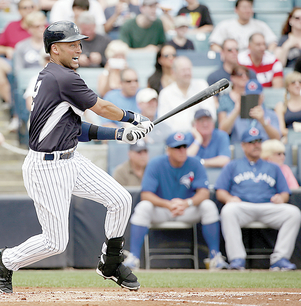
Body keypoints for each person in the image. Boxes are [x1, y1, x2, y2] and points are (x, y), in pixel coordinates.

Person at [0, 20, 155, 294]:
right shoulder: (62, 77)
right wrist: (134, 118)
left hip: (71, 159)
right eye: (72, 44)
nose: (79, 49)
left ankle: (111, 263)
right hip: (46, 168)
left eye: (79, 43)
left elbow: (73, 128)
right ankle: (6, 259)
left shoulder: (54, 76)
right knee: (55, 243)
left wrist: (118, 135)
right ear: (55, 49)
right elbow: (101, 107)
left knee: (120, 199)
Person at [122, 131, 228, 270]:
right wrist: (168, 204)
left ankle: (215, 257)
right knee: (143, 207)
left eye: (184, 146)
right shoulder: (156, 163)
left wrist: (186, 203)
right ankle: (133, 257)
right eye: (177, 147)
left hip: (187, 209)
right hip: (163, 209)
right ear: (168, 150)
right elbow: (146, 195)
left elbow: (204, 193)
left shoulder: (194, 162)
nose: (182, 150)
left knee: (208, 206)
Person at [215, 126, 301, 270]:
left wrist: (282, 197)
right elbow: (220, 191)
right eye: (251, 142)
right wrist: (229, 198)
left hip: (268, 206)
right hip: (243, 207)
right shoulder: (233, 165)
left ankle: (280, 258)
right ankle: (237, 259)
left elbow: (285, 192)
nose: (256, 145)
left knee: (293, 213)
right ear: (243, 145)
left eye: (258, 141)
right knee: (228, 210)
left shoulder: (273, 167)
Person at [0, 2, 35, 131]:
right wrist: (7, 50)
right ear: (18, 10)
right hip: (14, 63)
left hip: (35, 64)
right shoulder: (12, 26)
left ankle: (19, 113)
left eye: (31, 7)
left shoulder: (42, 26)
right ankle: (15, 107)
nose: (28, 10)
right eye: (25, 7)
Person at [158, 56, 216, 133]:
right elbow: (164, 124)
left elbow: (211, 114)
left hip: (202, 136)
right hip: (177, 139)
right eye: (183, 70)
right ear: (173, 72)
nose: (187, 73)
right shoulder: (165, 93)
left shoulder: (202, 85)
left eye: (189, 69)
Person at [218, 74, 281, 144]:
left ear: (262, 98)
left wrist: (263, 121)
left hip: (264, 150)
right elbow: (222, 132)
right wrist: (236, 111)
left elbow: (277, 138)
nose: (252, 100)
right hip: (240, 150)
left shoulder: (270, 114)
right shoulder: (236, 113)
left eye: (255, 97)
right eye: (249, 96)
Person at [209, 0, 277, 53]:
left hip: (254, 62)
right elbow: (214, 44)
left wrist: (266, 54)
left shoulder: (261, 25)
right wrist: (226, 56)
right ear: (236, 9)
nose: (247, 10)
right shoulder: (225, 25)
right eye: (244, 7)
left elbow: (272, 42)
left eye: (249, 7)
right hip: (233, 63)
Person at [274, 72, 301, 143]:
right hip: (288, 139)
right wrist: (295, 133)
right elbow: (281, 129)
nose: (297, 85)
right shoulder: (281, 106)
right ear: (287, 86)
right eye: (293, 82)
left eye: (300, 82)